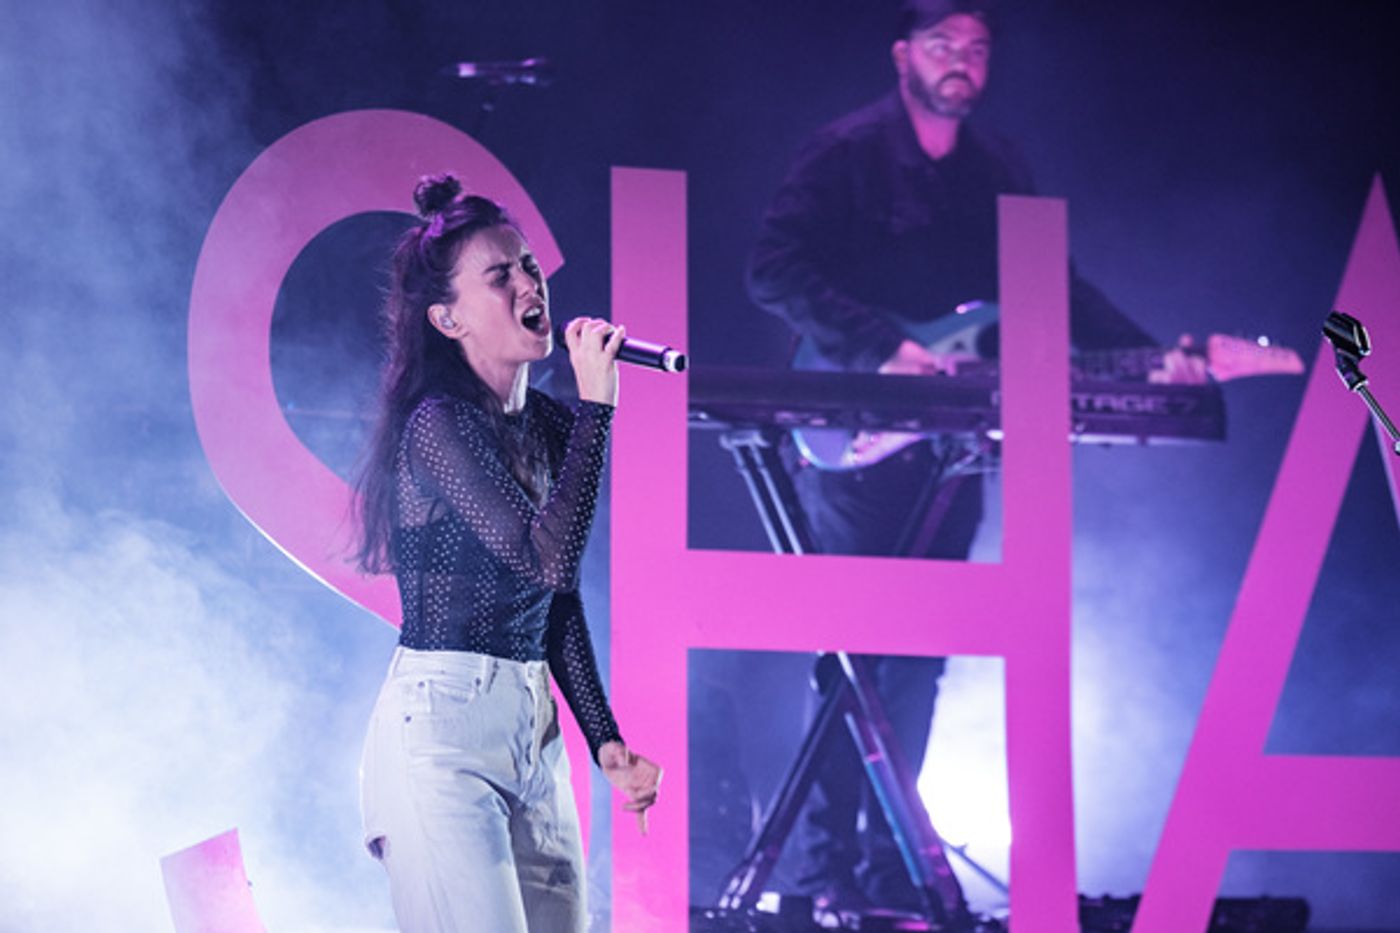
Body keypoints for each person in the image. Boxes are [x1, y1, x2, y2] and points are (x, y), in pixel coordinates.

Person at [745, 0, 1204, 913]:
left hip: (950, 447)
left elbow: (1051, 286)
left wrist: (1155, 357)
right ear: (903, 54)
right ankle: (824, 873)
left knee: (921, 659)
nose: (963, 60)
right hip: (855, 430)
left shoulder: (999, 169)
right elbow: (773, 266)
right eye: (944, 44)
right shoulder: (846, 154)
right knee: (850, 655)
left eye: (979, 48)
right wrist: (882, 347)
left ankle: (892, 871)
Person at [355, 174, 660, 933]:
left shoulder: (548, 423)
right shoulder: (438, 424)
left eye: (528, 266)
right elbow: (544, 559)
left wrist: (604, 737)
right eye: (500, 276)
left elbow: (557, 596)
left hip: (533, 728)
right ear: (448, 318)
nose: (530, 284)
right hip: (444, 730)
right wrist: (599, 407)